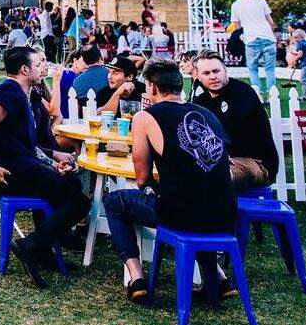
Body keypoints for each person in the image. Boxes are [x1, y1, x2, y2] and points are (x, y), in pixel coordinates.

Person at [102, 59, 237, 303]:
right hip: (226, 212)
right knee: (195, 198)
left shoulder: (145, 117)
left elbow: (142, 178)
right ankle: (217, 278)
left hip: (182, 214)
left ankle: (136, 278)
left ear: (152, 87)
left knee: (114, 201)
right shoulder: (206, 114)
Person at [0, 46, 89, 288]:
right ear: (25, 70)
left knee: (66, 184)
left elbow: (26, 145)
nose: (41, 68)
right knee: (80, 201)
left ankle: (42, 250)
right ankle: (32, 246)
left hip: (22, 167)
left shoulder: (22, 95)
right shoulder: (10, 93)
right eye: (37, 64)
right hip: (8, 174)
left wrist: (53, 163)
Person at [191, 51, 279, 190]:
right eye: (206, 73)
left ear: (225, 71)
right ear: (198, 76)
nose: (213, 76)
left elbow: (228, 132)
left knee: (212, 177)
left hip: (256, 162)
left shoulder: (241, 92)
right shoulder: (201, 100)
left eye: (216, 71)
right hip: (221, 161)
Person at [231, 0, 278, 98]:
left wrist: (243, 37)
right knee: (270, 69)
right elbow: (270, 21)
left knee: (252, 69)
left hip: (251, 39)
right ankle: (271, 94)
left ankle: (258, 94)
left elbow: (237, 25)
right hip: (267, 37)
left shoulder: (236, 5)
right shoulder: (261, 1)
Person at [69, 46, 109, 111]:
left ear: (84, 61)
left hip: (84, 117)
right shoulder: (111, 75)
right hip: (109, 115)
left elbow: (76, 108)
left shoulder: (77, 80)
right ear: (100, 58)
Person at [286, 28, 306, 98]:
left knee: (303, 81)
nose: (295, 39)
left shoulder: (300, 43)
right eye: (294, 37)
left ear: (301, 37)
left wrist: (294, 60)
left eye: (296, 37)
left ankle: (304, 96)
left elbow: (300, 54)